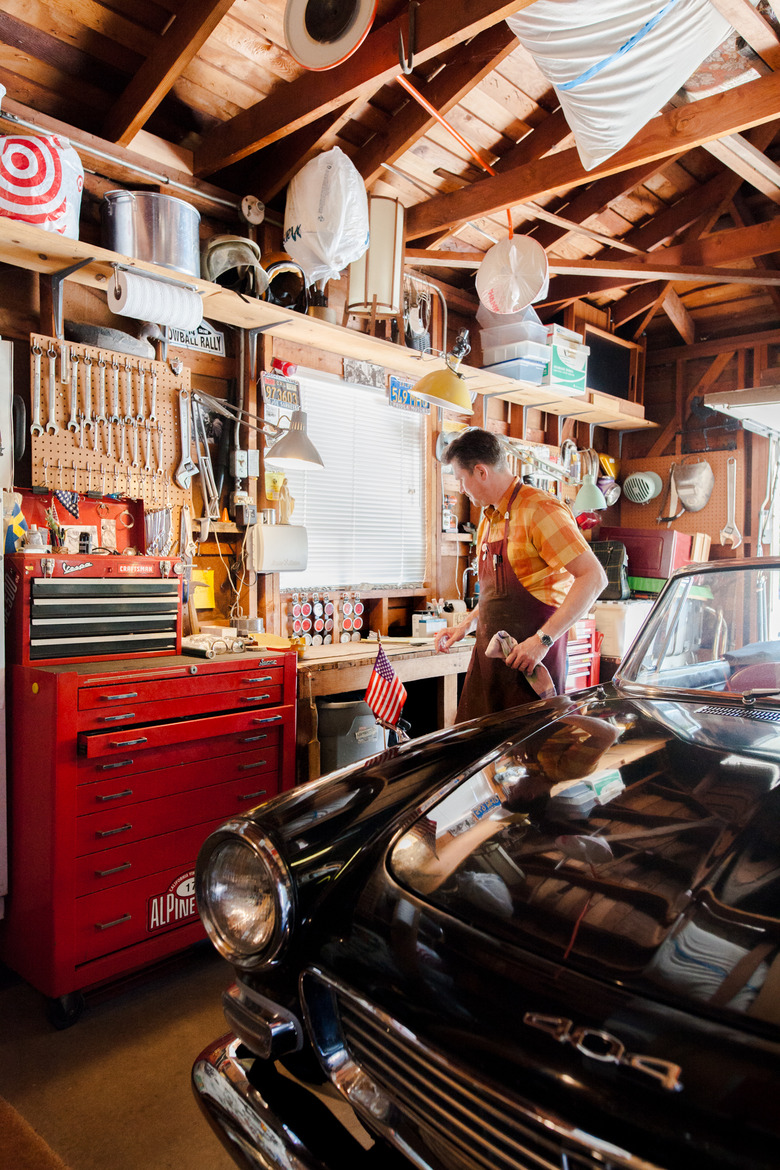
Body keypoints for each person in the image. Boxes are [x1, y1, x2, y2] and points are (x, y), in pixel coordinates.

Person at [435, 428, 607, 721]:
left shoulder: (541, 510)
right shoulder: (489, 518)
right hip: (490, 669)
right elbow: (499, 595)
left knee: (530, 747)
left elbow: (593, 577)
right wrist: (466, 625)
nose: (461, 489)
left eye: (461, 480)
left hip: (531, 667)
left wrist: (542, 641)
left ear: (481, 472)